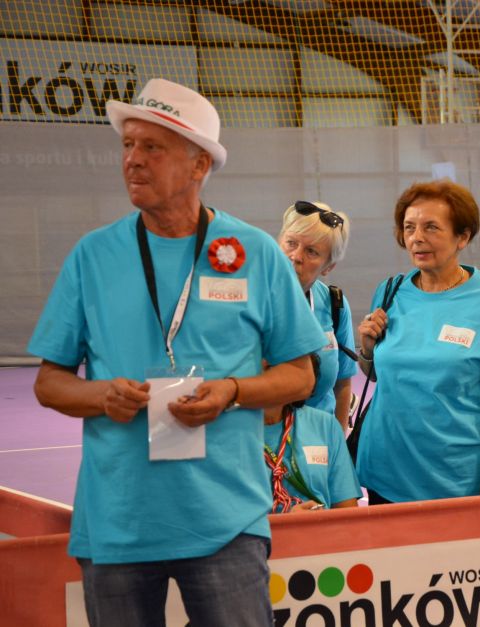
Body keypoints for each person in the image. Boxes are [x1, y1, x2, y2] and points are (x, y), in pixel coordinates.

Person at [27, 78, 324, 626]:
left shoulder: (256, 253)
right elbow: (49, 382)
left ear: (199, 165)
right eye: (127, 145)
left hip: (226, 521)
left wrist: (232, 391)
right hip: (117, 522)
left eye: (152, 147)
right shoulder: (93, 256)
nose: (133, 160)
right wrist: (102, 395)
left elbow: (300, 375)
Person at [356, 179, 480, 504]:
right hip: (386, 474)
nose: (417, 238)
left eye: (431, 227)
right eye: (409, 228)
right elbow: (378, 374)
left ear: (462, 237)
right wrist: (367, 349)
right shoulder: (390, 292)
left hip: (457, 478)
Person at [278, 200, 355, 427]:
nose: (296, 256)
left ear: (328, 267)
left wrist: (338, 439)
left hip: (318, 438)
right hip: (261, 437)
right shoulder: (251, 299)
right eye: (291, 243)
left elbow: (342, 385)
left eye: (311, 251)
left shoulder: (334, 304)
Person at [264, 359, 360, 512]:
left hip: (321, 526)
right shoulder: (230, 434)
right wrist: (285, 522)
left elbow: (347, 512)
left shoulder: (325, 425)